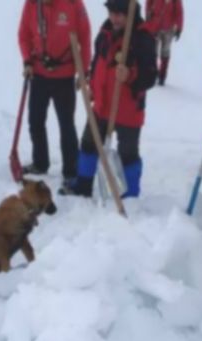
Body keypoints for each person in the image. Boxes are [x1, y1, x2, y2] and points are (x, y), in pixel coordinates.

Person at [62, 0, 157, 198]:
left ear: (130, 14)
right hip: (102, 105)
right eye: (111, 12)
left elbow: (149, 76)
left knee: (127, 154)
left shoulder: (142, 37)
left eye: (119, 14)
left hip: (128, 109)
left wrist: (130, 75)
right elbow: (99, 64)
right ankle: (83, 185)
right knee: (89, 143)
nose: (114, 18)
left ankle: (130, 196)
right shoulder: (105, 32)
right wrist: (92, 89)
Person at [18, 0, 92, 191]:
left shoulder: (73, 4)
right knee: (35, 121)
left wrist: (83, 71)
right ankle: (40, 163)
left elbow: (84, 36)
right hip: (39, 74)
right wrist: (27, 60)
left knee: (66, 125)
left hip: (64, 77)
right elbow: (24, 35)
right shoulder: (32, 4)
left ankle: (71, 170)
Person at [145, 0, 183, 86]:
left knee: (165, 52)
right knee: (152, 51)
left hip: (168, 28)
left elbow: (179, 12)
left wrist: (179, 28)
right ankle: (153, 72)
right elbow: (149, 3)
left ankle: (162, 75)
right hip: (155, 25)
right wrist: (148, 17)